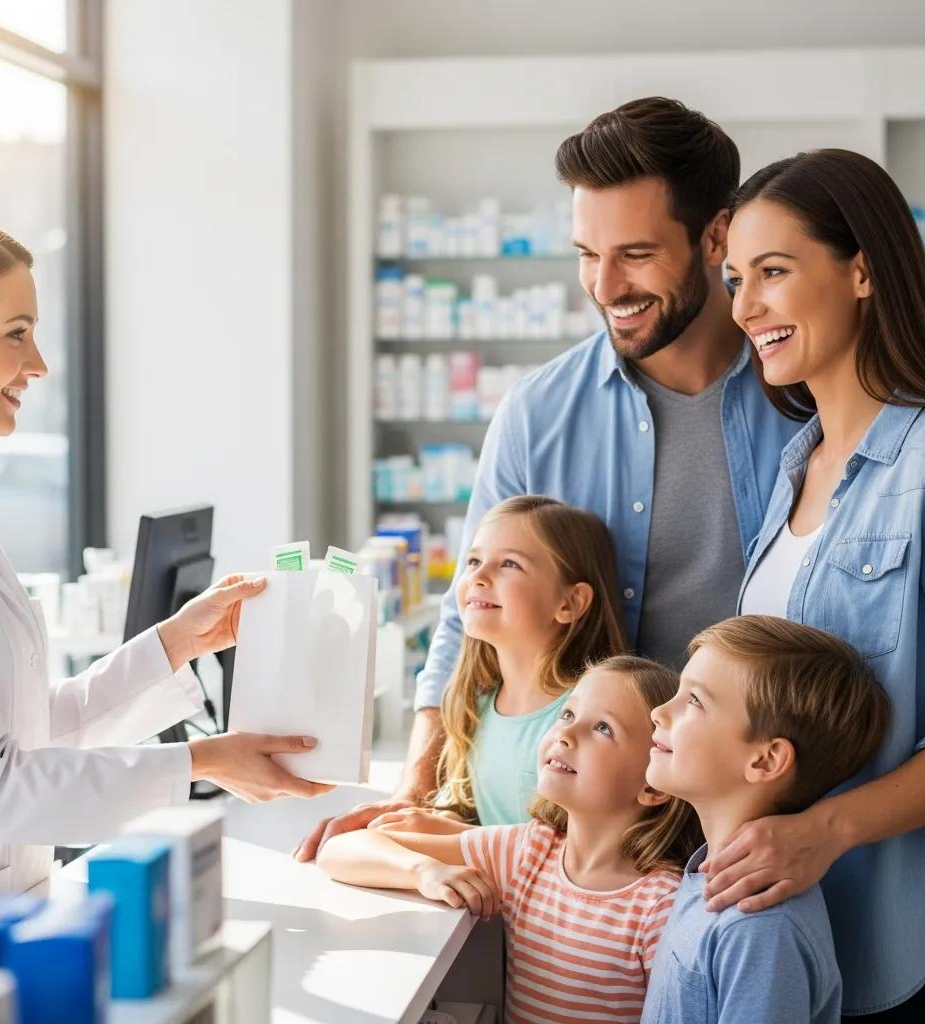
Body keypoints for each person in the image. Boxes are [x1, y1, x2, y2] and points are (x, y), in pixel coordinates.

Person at [296, 96, 799, 863]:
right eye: (586, 254)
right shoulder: (538, 412)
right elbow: (466, 618)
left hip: (753, 832)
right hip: (579, 847)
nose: (604, 286)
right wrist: (416, 787)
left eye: (635, 254)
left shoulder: (801, 401)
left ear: (716, 236)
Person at [0, 207, 329, 913]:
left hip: (4, 908)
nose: (38, 364)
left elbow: (28, 733)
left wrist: (176, 642)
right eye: (16, 334)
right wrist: (202, 761)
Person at [704, 148, 925, 1019]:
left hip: (895, 942)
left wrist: (825, 831)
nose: (744, 307)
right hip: (786, 941)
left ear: (862, 271)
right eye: (734, 280)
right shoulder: (795, 470)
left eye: (773, 272)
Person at [319, 656, 701, 1024]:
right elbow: (341, 849)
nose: (565, 734)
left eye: (603, 728)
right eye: (568, 714)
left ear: (653, 786)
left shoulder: (661, 907)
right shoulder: (529, 853)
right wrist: (423, 871)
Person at [643, 616, 890, 1023]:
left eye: (694, 701)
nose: (658, 712)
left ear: (766, 760)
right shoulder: (708, 875)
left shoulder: (761, 928)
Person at [369, 495, 625, 836]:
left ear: (570, 602)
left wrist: (448, 841)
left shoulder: (585, 723)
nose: (478, 576)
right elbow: (465, 818)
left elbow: (576, 851)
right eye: (473, 561)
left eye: (509, 564)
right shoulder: (473, 707)